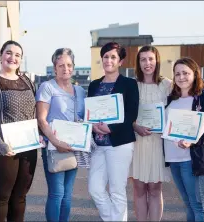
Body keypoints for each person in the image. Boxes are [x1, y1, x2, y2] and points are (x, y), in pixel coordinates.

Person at [0, 40, 38, 222]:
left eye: (17, 55)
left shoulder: (27, 81)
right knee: (1, 199)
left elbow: (32, 113)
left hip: (27, 148)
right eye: (9, 53)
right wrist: (1, 144)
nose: (13, 57)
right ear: (1, 56)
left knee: (19, 198)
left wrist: (38, 136)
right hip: (2, 150)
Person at [87, 42, 139, 221]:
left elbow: (132, 113)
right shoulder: (94, 85)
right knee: (95, 188)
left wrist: (111, 127)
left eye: (113, 57)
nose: (109, 60)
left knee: (117, 191)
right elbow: (90, 111)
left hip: (120, 144)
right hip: (99, 144)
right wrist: (92, 124)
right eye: (105, 57)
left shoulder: (129, 84)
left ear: (120, 61)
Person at [36, 48, 87, 222]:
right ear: (55, 67)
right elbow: (42, 120)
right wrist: (56, 142)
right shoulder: (47, 87)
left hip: (74, 147)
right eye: (61, 65)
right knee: (57, 193)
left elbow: (83, 118)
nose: (66, 68)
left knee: (67, 195)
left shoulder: (80, 91)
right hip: (54, 147)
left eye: (69, 65)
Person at [164, 57, 204, 221]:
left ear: (195, 74)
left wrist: (192, 140)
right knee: (188, 204)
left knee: (199, 206)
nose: (181, 77)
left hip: (193, 160)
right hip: (174, 159)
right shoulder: (172, 98)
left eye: (185, 73)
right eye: (177, 74)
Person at [129, 45, 172, 221]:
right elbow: (126, 116)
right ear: (138, 63)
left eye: (151, 59)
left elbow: (176, 112)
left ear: (157, 61)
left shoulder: (168, 85)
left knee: (155, 190)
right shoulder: (132, 86)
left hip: (157, 144)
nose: (147, 63)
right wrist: (134, 126)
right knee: (139, 189)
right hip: (137, 143)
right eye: (143, 59)